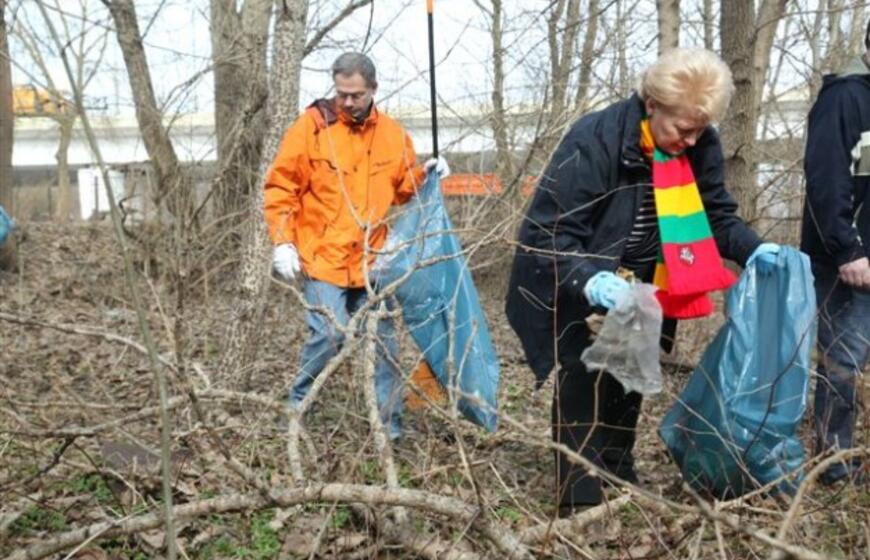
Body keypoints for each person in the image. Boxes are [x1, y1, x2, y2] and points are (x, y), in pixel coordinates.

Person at [505, 48, 781, 514]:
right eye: (683, 129)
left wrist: (753, 248)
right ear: (652, 105)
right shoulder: (595, 139)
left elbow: (715, 214)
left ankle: (618, 471)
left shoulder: (700, 144)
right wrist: (590, 281)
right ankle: (578, 500)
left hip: (646, 277)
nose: (692, 140)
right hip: (582, 272)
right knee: (582, 378)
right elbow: (549, 232)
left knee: (629, 373)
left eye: (700, 130)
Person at [264, 52, 449, 440]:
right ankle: (296, 410)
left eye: (356, 95)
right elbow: (281, 186)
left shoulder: (392, 135)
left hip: (372, 261)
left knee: (383, 346)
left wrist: (427, 173)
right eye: (341, 93)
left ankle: (389, 431)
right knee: (328, 335)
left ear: (373, 90)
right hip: (323, 258)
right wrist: (282, 241)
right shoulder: (312, 127)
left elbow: (402, 189)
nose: (347, 102)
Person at [801, 21, 870, 485]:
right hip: (848, 263)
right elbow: (826, 178)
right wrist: (847, 249)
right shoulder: (845, 97)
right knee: (843, 362)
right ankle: (834, 465)